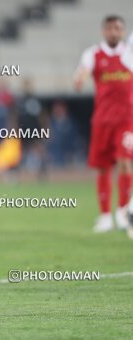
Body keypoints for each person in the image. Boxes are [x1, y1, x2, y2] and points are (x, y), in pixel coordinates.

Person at [74, 15, 133, 233]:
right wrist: (79, 77)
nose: (113, 32)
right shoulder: (93, 54)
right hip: (102, 120)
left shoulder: (129, 54)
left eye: (117, 28)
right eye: (109, 28)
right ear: (103, 31)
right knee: (102, 167)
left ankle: (124, 211)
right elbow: (83, 70)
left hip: (127, 119)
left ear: (123, 31)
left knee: (125, 161)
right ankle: (105, 215)